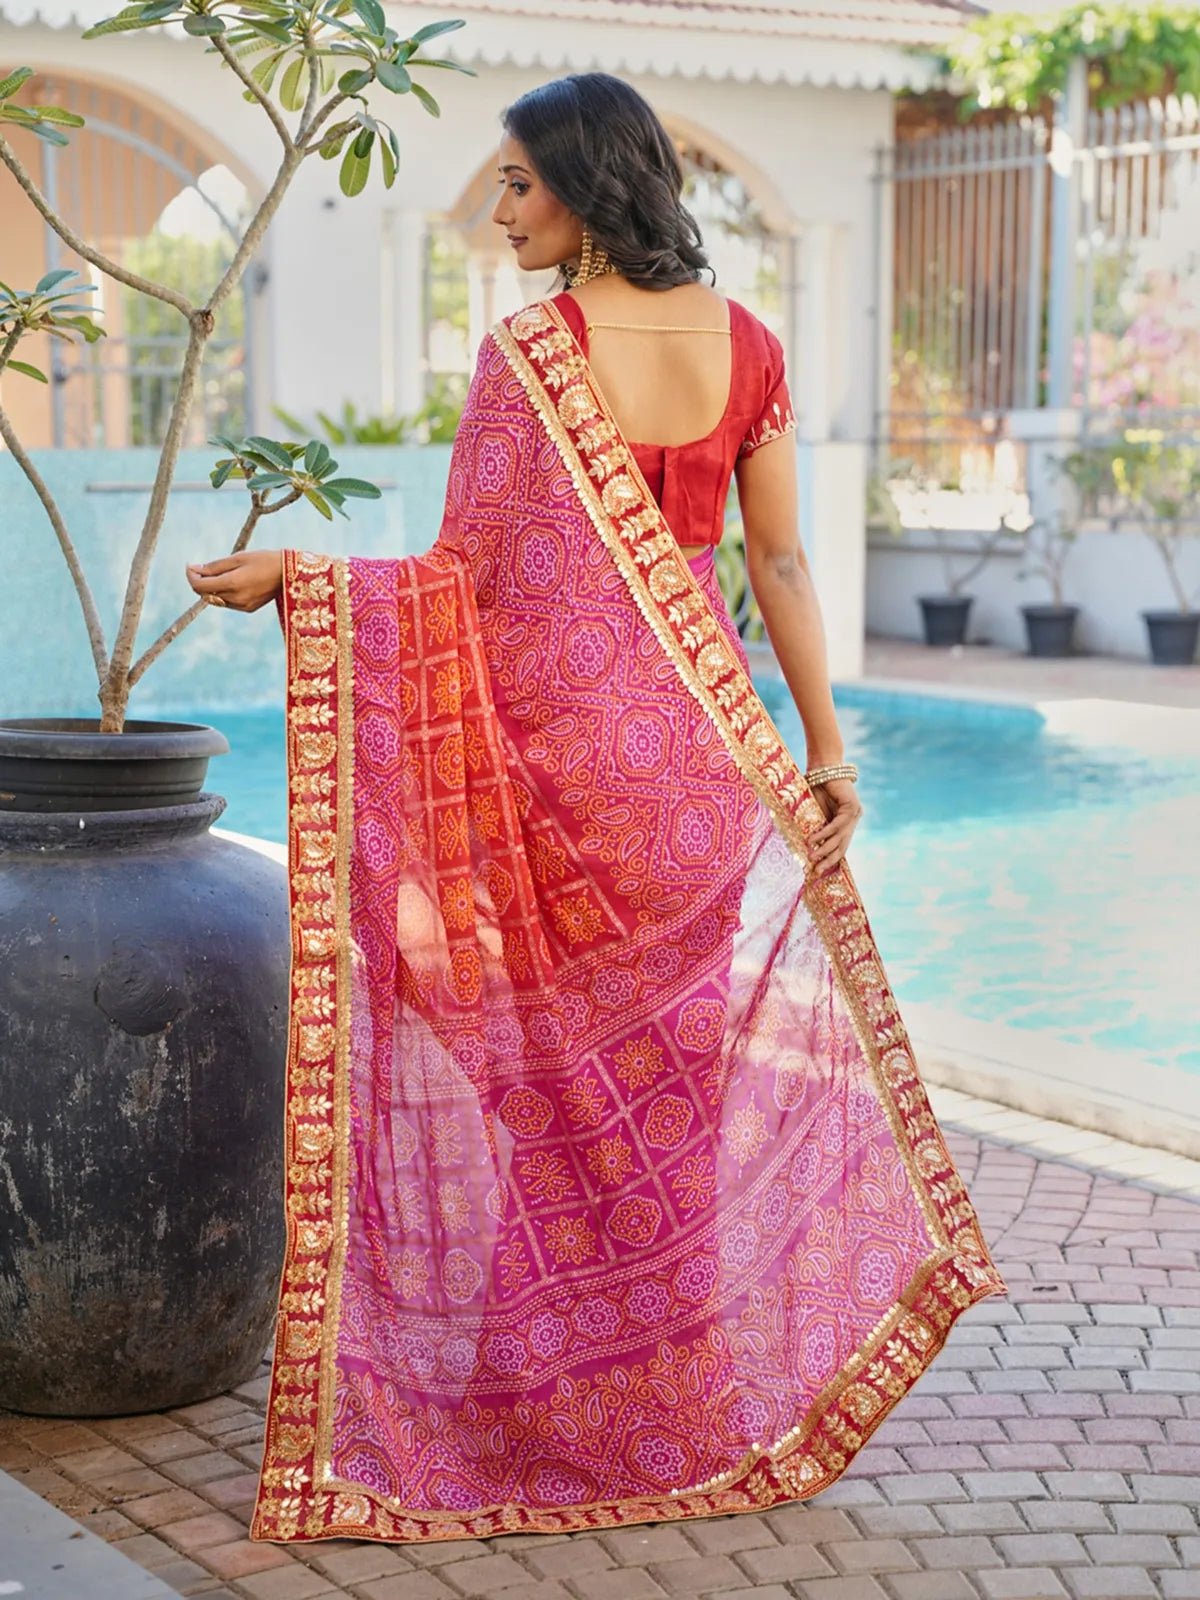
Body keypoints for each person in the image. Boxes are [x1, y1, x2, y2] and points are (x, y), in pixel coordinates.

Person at [186, 73, 1004, 1548]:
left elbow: (457, 584)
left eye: (515, 183)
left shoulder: (535, 353)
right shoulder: (749, 345)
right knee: (665, 1089)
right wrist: (825, 750)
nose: (501, 209)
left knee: (545, 1088)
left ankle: (545, 1395)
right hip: (699, 772)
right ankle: (671, 1387)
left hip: (561, 774)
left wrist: (301, 583)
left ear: (579, 184)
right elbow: (784, 569)